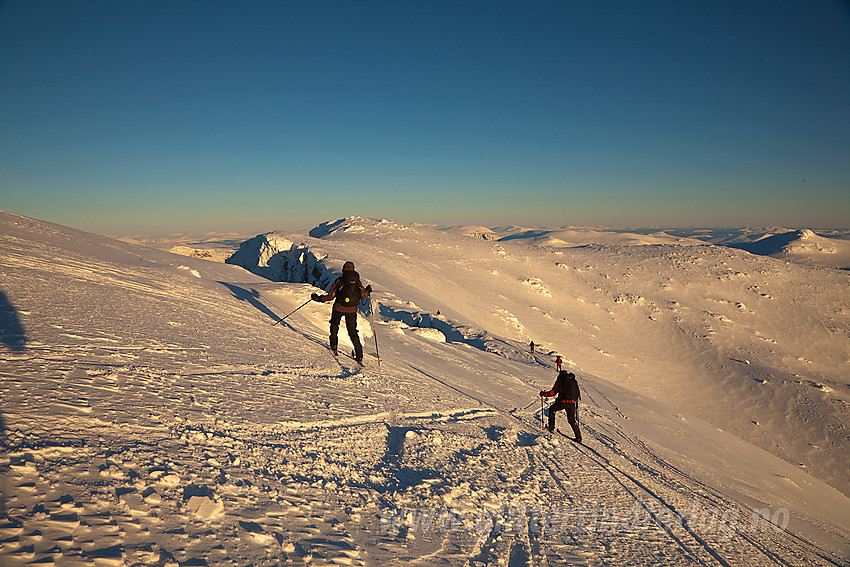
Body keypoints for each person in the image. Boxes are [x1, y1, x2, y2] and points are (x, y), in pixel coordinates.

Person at [311, 261, 372, 364]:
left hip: (338, 308)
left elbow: (331, 296)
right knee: (353, 332)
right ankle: (359, 355)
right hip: (352, 310)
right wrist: (368, 291)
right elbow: (363, 296)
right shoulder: (358, 282)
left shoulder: (339, 280)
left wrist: (319, 298)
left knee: (334, 325)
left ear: (343, 269)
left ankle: (334, 346)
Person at [540, 371, 582, 442]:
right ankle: (579, 437)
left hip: (562, 401)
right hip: (572, 403)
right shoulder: (573, 381)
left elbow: (553, 392)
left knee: (552, 410)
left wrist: (543, 394)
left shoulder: (561, 380)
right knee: (571, 420)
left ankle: (551, 427)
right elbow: (577, 394)